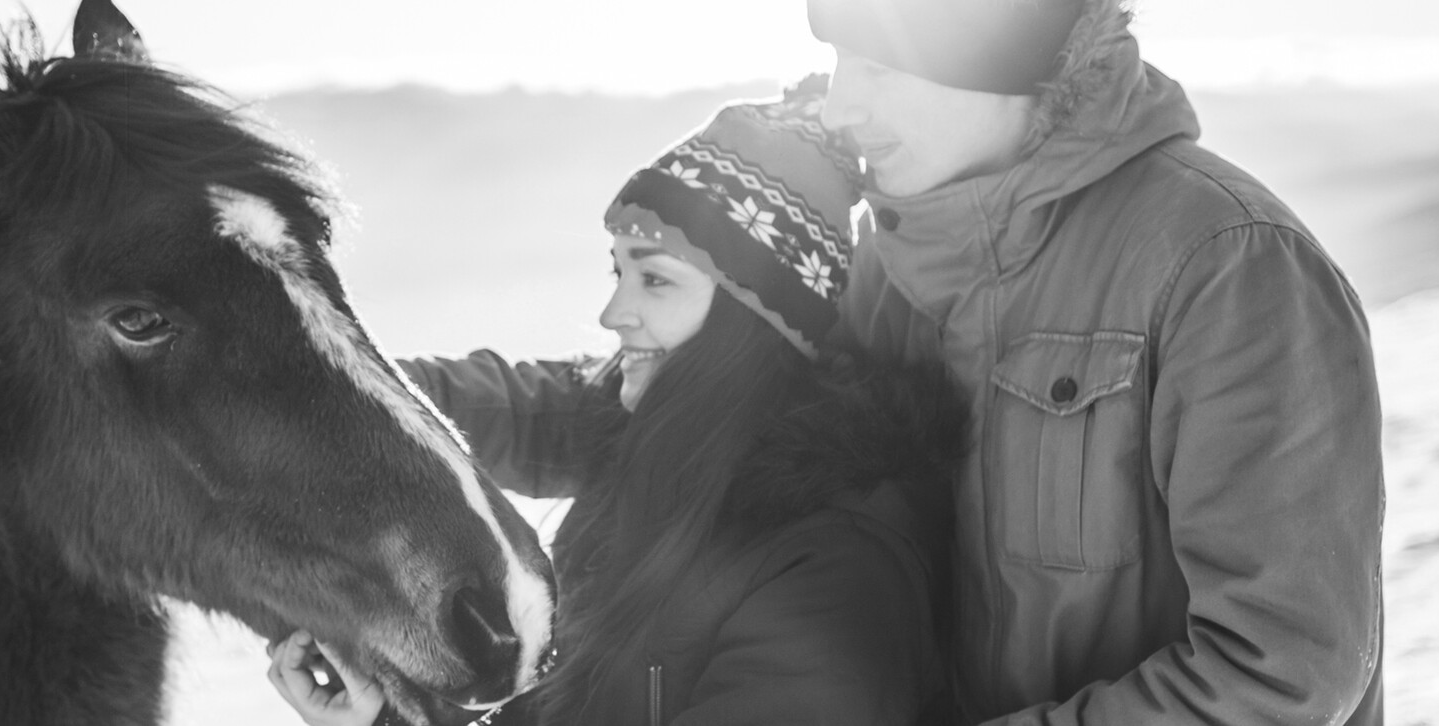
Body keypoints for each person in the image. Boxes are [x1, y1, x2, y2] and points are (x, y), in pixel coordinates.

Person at [307, 0, 1388, 723]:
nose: (842, 102)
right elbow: (673, 401)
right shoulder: (893, 269)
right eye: (836, 62)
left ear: (990, 53)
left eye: (875, 64)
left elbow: (1283, 666)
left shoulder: (1223, 264)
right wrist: (344, 398)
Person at [269, 84, 967, 726]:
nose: (611, 313)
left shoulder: (830, 562)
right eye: (617, 271)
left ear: (755, 317)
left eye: (654, 281)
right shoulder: (654, 454)